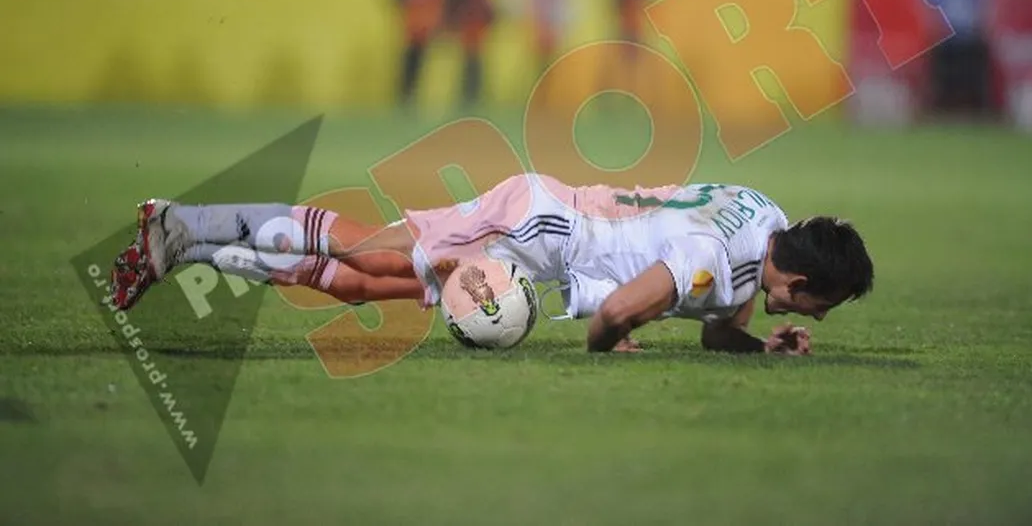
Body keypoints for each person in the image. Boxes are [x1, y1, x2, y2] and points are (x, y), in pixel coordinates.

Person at [109, 174, 873, 355]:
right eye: (821, 306)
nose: (816, 316)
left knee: (362, 284)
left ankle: (184, 247)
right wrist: (613, 339)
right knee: (367, 248)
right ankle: (184, 223)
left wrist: (758, 345)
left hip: (547, 241)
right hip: (536, 220)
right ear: (802, 282)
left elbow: (715, 328)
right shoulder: (711, 261)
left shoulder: (766, 218)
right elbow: (612, 317)